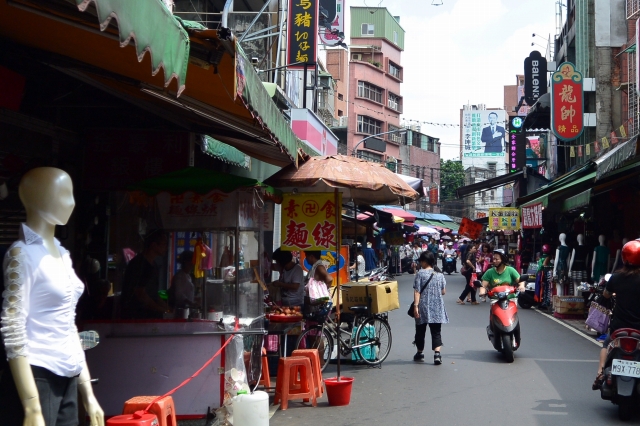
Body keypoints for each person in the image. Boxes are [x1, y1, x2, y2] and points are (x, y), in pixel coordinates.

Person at [0, 167, 103, 426]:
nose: (71, 203)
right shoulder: (22, 255)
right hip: (38, 376)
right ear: (39, 198)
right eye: (65, 194)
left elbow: (67, 324)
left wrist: (87, 392)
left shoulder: (62, 253)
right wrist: (32, 406)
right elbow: (13, 327)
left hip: (68, 374)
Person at [593, 240, 640, 390]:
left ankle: (600, 373)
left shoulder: (616, 277)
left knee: (606, 344)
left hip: (619, 326)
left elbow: (606, 295)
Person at [121, 230, 169, 319]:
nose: (166, 248)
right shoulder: (139, 264)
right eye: (164, 244)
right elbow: (140, 294)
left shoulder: (153, 265)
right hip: (136, 317)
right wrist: (161, 309)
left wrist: (166, 308)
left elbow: (153, 293)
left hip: (149, 316)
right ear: (154, 245)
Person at [481, 249, 525, 344]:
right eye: (494, 259)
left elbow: (520, 280)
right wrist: (482, 291)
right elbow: (483, 285)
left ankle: (515, 330)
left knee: (514, 316)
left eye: (497, 259)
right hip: (495, 300)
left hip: (510, 299)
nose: (494, 261)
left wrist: (521, 286)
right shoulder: (489, 272)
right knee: (493, 315)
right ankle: (493, 328)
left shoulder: (511, 270)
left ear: (503, 259)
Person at [412, 251, 448, 364]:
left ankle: (420, 353)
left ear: (424, 261)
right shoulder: (440, 274)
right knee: (436, 331)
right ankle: (437, 355)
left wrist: (415, 306)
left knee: (420, 330)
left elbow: (417, 291)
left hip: (423, 305)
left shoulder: (420, 274)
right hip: (437, 306)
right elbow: (443, 292)